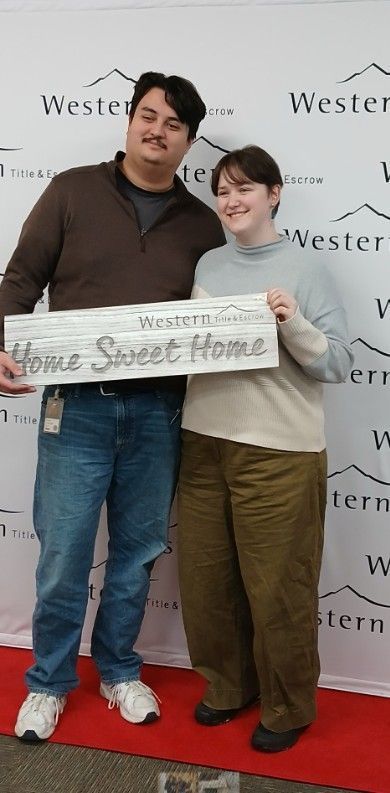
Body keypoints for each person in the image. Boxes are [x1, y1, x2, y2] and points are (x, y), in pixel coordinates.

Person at [0, 71, 225, 742]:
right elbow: (18, 283)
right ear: (128, 120)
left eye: (174, 124)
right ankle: (47, 681)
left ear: (189, 141)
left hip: (160, 414)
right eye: (148, 115)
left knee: (137, 554)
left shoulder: (202, 225)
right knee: (65, 552)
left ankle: (121, 669)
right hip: (76, 410)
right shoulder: (72, 189)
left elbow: (217, 324)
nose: (158, 130)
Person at [177, 145, 353, 752]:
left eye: (245, 188)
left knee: (278, 585)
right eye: (222, 190)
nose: (232, 199)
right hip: (202, 443)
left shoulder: (307, 268)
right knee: (206, 581)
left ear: (274, 194)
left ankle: (287, 704)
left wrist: (294, 323)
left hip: (279, 452)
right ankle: (228, 685)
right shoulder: (207, 265)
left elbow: (339, 363)